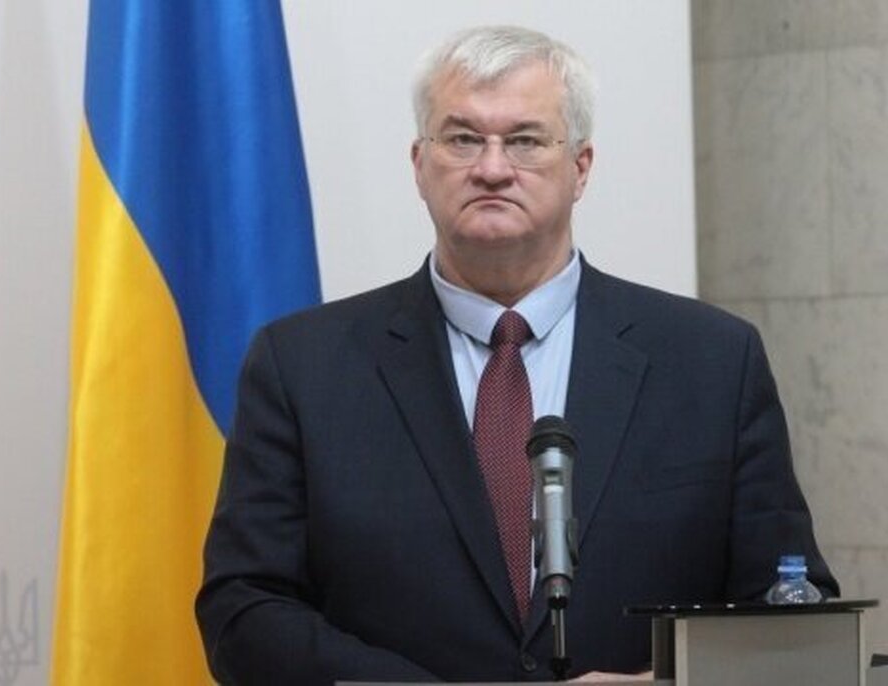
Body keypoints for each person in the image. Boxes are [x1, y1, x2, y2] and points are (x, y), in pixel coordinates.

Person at [196, 25, 837, 684]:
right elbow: (244, 612)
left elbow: (792, 617)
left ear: (580, 167)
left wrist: (668, 685)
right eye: (462, 138)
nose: (493, 168)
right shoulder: (302, 367)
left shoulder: (712, 362)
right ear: (419, 164)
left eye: (526, 140)